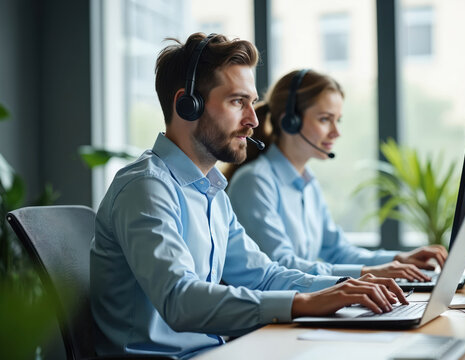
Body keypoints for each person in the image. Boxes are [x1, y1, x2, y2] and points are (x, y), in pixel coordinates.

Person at [90, 33, 407, 360]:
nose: (254, 120)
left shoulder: (212, 193)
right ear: (188, 105)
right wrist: (304, 303)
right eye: (237, 102)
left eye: (252, 102)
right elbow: (179, 299)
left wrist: (341, 288)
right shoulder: (146, 188)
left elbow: (264, 275)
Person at [226, 69, 447, 282]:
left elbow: (338, 251)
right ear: (289, 121)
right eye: (325, 119)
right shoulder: (255, 182)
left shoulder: (307, 182)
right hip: (274, 316)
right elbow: (282, 265)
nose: (336, 132)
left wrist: (398, 260)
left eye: (337, 120)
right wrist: (368, 273)